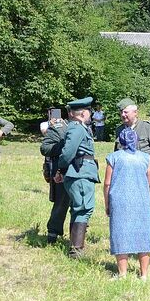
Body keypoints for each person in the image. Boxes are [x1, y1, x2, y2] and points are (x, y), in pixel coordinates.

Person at [104, 128, 150, 279]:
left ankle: (122, 273)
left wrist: (107, 203)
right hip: (141, 201)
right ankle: (144, 274)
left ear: (121, 141)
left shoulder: (113, 158)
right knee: (144, 236)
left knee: (120, 235)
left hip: (120, 201)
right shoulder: (145, 158)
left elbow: (107, 184)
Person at [58, 97, 99, 258]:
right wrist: (60, 169)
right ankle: (76, 249)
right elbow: (68, 153)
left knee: (79, 208)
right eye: (89, 111)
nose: (90, 114)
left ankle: (75, 246)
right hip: (80, 172)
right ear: (83, 113)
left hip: (81, 172)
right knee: (83, 208)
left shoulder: (80, 127)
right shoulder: (76, 128)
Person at [114, 98, 150, 238]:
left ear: (135, 112)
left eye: (126, 112)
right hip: (125, 176)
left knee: (148, 205)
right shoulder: (119, 130)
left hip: (144, 175)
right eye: (121, 112)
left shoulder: (146, 127)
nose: (123, 115)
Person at [39, 112, 71, 243]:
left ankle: (77, 238)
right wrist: (64, 147)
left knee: (80, 205)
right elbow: (45, 148)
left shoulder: (85, 128)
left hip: (81, 171)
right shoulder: (58, 127)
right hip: (61, 170)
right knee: (60, 203)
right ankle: (53, 233)